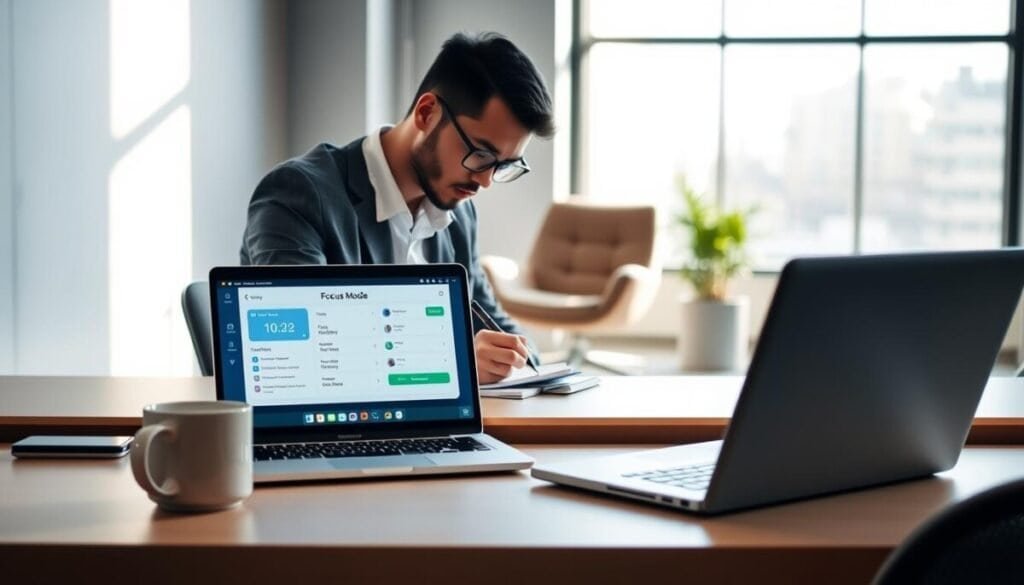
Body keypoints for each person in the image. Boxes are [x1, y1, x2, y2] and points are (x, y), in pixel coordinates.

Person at [240, 32, 554, 384]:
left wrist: (520, 357)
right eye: (481, 155)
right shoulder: (299, 193)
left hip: (429, 431)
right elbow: (304, 347)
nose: (485, 182)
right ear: (427, 112)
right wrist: (455, 361)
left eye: (504, 166)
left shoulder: (458, 213)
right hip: (330, 432)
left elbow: (492, 323)